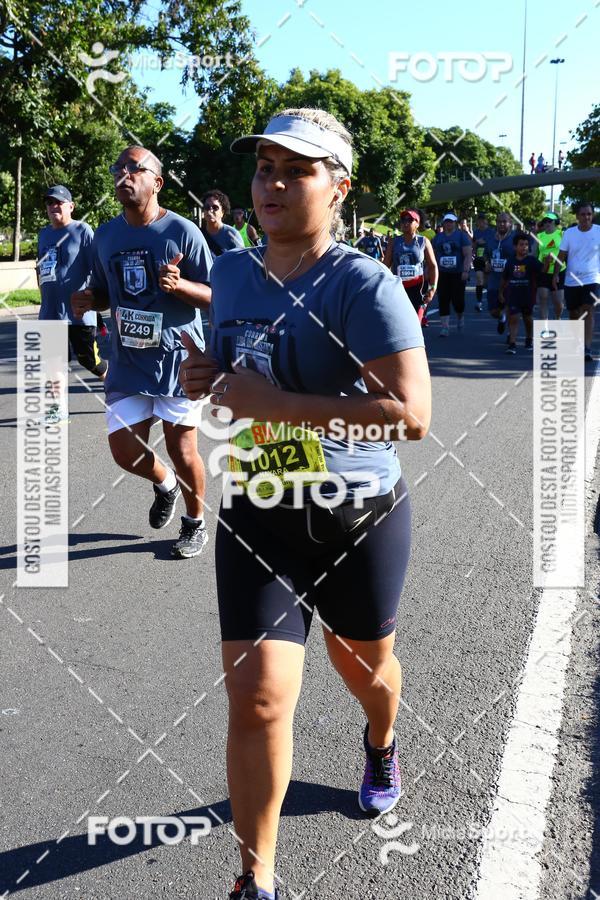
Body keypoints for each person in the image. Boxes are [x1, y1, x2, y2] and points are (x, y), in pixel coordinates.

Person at [179, 107, 431, 900]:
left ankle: (382, 740)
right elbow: (237, 377)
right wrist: (210, 383)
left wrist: (273, 401)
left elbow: (412, 415)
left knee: (367, 672)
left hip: (355, 517)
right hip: (260, 511)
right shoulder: (231, 273)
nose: (274, 184)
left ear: (339, 186)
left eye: (297, 169)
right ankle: (257, 881)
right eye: (264, 168)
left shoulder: (365, 284)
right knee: (256, 700)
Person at [71, 146, 213, 557]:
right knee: (123, 451)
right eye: (119, 168)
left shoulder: (183, 232)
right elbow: (104, 290)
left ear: (157, 182)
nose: (124, 174)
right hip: (128, 360)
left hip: (177, 361)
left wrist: (180, 286)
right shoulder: (107, 234)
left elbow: (214, 294)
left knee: (182, 450)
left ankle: (194, 523)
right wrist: (89, 298)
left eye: (136, 168)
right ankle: (165, 484)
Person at [37, 184, 108, 423]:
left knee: (90, 360)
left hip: (78, 312)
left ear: (70, 206)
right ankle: (57, 409)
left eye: (58, 202)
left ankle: (115, 388)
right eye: (49, 203)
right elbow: (41, 269)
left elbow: (97, 268)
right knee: (53, 362)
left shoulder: (82, 230)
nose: (53, 206)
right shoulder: (43, 234)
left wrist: (93, 298)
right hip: (50, 311)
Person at [553, 201, 600, 362]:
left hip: (593, 278)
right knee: (574, 313)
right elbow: (562, 256)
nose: (586, 217)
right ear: (577, 216)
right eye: (583, 214)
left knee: (588, 310)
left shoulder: (599, 231)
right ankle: (577, 342)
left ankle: (586, 348)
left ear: (592, 215)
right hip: (572, 280)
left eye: (589, 214)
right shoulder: (569, 233)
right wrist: (555, 275)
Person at [384, 208, 437, 324]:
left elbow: (433, 266)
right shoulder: (393, 242)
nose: (405, 223)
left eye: (409, 220)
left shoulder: (424, 241)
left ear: (417, 223)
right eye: (403, 220)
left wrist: (432, 288)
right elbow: (385, 266)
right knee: (400, 323)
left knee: (415, 323)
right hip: (398, 288)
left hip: (418, 288)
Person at [499, 232, 541, 354]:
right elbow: (504, 278)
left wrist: (548, 262)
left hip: (528, 295)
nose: (524, 247)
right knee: (514, 318)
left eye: (526, 245)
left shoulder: (532, 261)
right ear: (515, 247)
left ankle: (529, 338)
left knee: (528, 319)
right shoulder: (510, 262)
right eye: (521, 244)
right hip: (513, 295)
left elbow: (542, 270)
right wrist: (500, 292)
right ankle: (512, 344)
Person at [431, 212, 472, 335]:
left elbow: (468, 254)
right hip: (442, 273)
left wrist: (465, 270)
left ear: (455, 223)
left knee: (457, 301)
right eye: (447, 221)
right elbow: (432, 255)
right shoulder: (438, 237)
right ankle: (445, 327)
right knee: (443, 299)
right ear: (443, 223)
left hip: (458, 273)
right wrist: (431, 271)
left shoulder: (461, 236)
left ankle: (460, 316)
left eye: (451, 221)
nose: (448, 224)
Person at [484, 212, 514, 335]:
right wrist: (487, 262)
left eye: (504, 221)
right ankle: (502, 317)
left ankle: (510, 335)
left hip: (509, 280)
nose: (501, 224)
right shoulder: (491, 238)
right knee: (493, 311)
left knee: (509, 306)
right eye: (499, 221)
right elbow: (486, 253)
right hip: (493, 279)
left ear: (510, 223)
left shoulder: (514, 238)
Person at [536, 212, 565, 321]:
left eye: (550, 221)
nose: (547, 223)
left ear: (555, 222)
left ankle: (557, 317)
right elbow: (534, 254)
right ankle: (545, 327)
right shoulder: (539, 236)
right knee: (543, 298)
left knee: (558, 303)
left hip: (559, 271)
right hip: (544, 270)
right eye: (545, 221)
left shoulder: (561, 234)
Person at [201, 189, 245, 258]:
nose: (210, 210)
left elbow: (241, 261)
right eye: (207, 207)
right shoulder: (199, 234)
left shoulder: (232, 234)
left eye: (215, 207)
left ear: (223, 212)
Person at [472, 213, 494, 312]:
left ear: (486, 221)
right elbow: (474, 244)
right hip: (479, 258)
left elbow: (494, 244)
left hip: (489, 258)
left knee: (486, 283)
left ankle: (491, 300)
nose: (481, 223)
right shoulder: (476, 232)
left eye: (483, 221)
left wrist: (485, 242)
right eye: (479, 221)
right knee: (479, 279)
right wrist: (476, 244)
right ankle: (479, 302)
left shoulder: (491, 232)